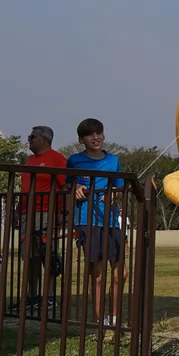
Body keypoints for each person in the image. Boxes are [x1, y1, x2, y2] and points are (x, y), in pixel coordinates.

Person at [67, 118, 127, 330]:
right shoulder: (74, 160)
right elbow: (68, 184)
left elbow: (119, 188)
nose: (96, 137)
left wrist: (114, 194)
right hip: (86, 221)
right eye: (90, 134)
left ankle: (116, 318)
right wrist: (75, 187)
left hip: (111, 221)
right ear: (81, 139)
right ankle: (99, 319)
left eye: (99, 133)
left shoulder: (113, 160)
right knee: (98, 273)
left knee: (122, 272)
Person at [18, 125, 68, 317]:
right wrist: (17, 210)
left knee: (47, 254)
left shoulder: (57, 159)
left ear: (44, 140)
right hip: (26, 213)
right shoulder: (29, 160)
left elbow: (66, 185)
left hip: (45, 212)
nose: (29, 139)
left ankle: (50, 296)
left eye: (33, 136)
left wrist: (62, 212)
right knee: (29, 256)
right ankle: (33, 295)